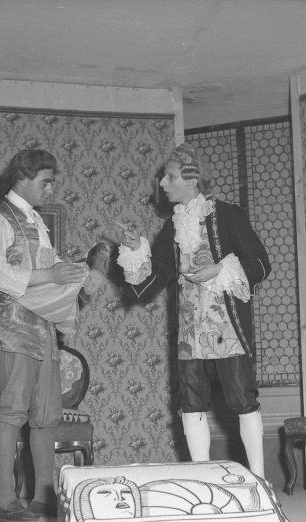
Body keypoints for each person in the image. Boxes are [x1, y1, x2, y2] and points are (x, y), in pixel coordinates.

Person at [116, 144, 271, 478]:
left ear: (192, 178)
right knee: (191, 401)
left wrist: (220, 268)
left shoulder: (228, 215)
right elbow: (152, 282)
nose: (162, 183)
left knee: (243, 397)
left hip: (227, 328)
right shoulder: (172, 228)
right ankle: (201, 479)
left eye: (170, 176)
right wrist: (135, 249)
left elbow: (261, 263)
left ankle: (259, 480)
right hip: (190, 331)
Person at [0, 149, 102, 522]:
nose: (50, 189)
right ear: (22, 178)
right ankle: (4, 501)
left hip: (42, 323)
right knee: (12, 409)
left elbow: (52, 266)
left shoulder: (35, 221)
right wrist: (52, 276)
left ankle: (44, 497)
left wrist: (82, 275)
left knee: (46, 413)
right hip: (13, 322)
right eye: (45, 182)